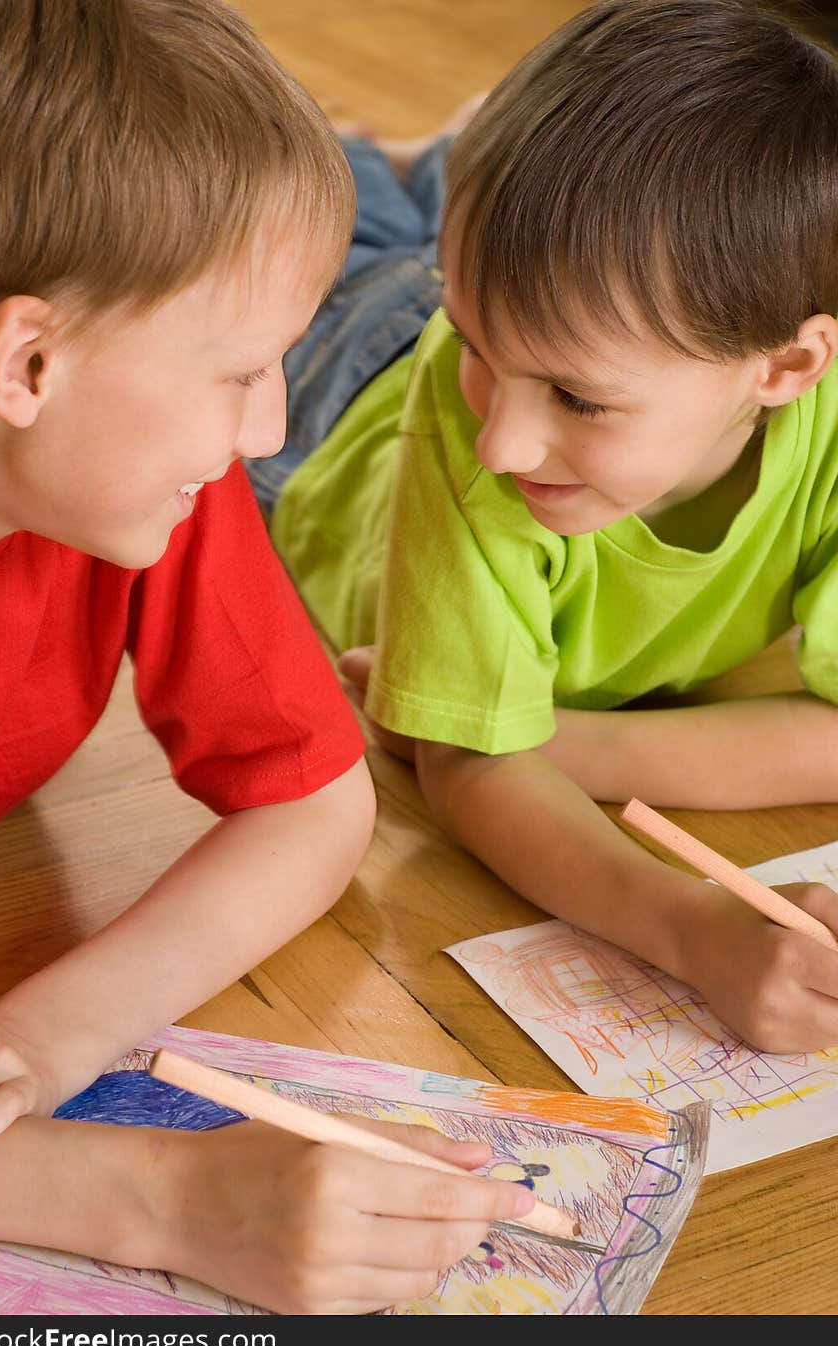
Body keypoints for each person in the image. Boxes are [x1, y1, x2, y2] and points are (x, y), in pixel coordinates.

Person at [0, 0, 533, 1315]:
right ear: (29, 359)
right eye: (241, 371)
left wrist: (56, 1027)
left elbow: (316, 804)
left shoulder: (141, 486)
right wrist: (160, 1200)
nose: (271, 428)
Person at [259, 0, 838, 1057]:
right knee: (303, 245)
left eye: (579, 398)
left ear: (788, 367)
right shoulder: (465, 397)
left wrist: (547, 740)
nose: (503, 448)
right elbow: (473, 770)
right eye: (482, 348)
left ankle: (419, 173)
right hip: (349, 383)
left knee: (397, 242)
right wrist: (694, 930)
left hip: (453, 302)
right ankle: (399, 182)